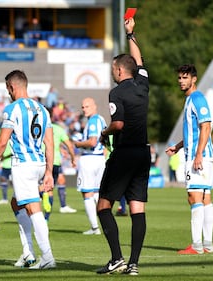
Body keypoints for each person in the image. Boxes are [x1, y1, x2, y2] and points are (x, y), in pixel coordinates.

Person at [0, 69, 56, 269]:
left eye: (8, 88)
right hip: (40, 164)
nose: (8, 92)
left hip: (23, 164)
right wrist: (49, 172)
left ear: (12, 87)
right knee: (17, 203)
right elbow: (49, 143)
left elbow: (2, 142)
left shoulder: (12, 109)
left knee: (33, 208)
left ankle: (48, 257)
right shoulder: (43, 109)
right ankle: (28, 254)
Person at [96, 18, 150, 275]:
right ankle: (134, 264)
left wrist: (103, 133)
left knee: (103, 205)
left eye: (113, 69)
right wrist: (131, 34)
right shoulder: (143, 84)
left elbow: (117, 124)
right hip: (143, 152)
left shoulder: (116, 93)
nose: (112, 72)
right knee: (137, 207)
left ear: (119, 71)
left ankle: (116, 257)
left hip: (125, 152)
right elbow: (139, 62)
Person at [165, 64, 213, 255]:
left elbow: (206, 126)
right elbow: (194, 131)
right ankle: (207, 244)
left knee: (194, 197)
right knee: (205, 197)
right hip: (199, 155)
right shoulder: (190, 100)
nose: (181, 81)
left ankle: (196, 245)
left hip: (198, 157)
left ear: (193, 79)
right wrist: (178, 147)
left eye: (185, 78)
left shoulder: (197, 98)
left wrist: (198, 154)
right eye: (179, 78)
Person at [73, 97, 106, 235]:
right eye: (82, 107)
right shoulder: (102, 120)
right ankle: (105, 223)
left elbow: (92, 142)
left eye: (87, 106)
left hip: (89, 159)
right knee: (97, 192)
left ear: (94, 106)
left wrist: (77, 143)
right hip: (100, 159)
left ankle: (95, 228)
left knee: (87, 193)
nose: (84, 109)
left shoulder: (93, 121)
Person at [42, 108, 77, 221]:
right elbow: (69, 145)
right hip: (55, 162)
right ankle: (46, 219)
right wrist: (72, 158)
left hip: (40, 161)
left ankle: (42, 196)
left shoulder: (36, 128)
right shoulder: (58, 129)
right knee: (50, 188)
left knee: (39, 188)